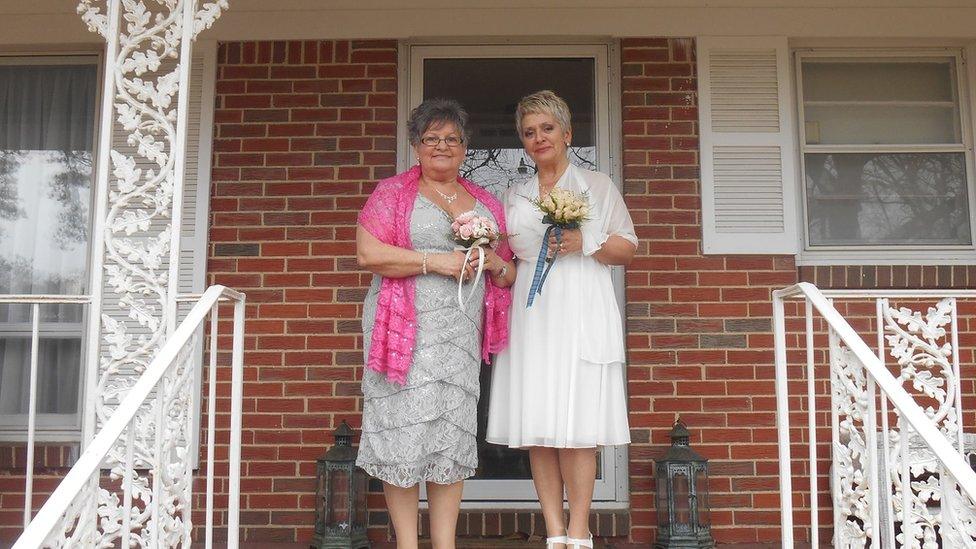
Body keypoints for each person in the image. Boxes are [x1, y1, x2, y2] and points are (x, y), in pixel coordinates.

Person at [355, 98, 515, 549]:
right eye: (431, 139)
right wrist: (435, 262)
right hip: (404, 330)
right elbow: (369, 255)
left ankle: (444, 545)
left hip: (459, 336)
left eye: (452, 139)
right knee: (403, 430)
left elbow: (507, 271)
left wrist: (494, 262)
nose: (442, 146)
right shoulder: (392, 194)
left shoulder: (484, 201)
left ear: (465, 148)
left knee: (450, 434)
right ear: (416, 145)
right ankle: (408, 544)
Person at [486, 90, 636, 549]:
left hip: (582, 305)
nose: (538, 138)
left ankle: (579, 531)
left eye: (547, 129)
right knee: (540, 425)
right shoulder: (513, 194)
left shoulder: (596, 185)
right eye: (529, 133)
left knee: (578, 427)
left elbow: (627, 248)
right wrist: (492, 264)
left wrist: (584, 240)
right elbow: (509, 262)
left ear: (567, 134)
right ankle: (554, 530)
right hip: (533, 315)